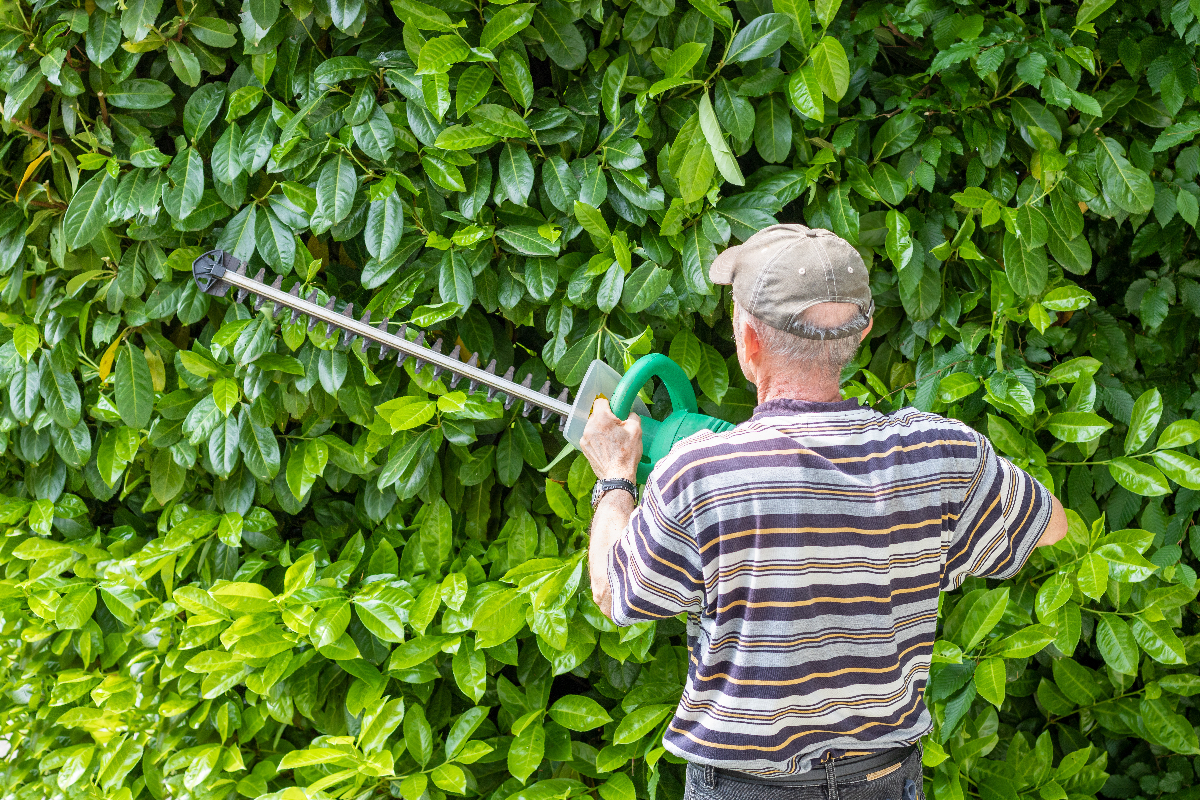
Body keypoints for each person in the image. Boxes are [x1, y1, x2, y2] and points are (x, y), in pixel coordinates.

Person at [578, 224, 1067, 800]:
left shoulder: (700, 473)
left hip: (746, 786)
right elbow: (1052, 524)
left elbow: (615, 592)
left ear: (751, 343)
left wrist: (614, 479)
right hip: (883, 778)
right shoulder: (938, 453)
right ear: (861, 333)